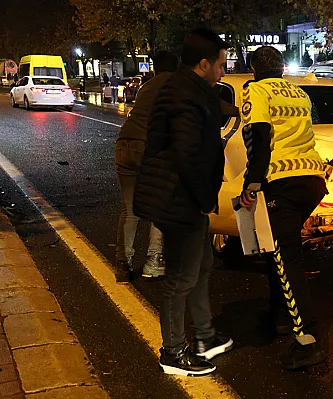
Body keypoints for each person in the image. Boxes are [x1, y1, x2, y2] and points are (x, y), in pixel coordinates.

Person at [133, 28, 233, 376]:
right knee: (180, 278)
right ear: (203, 63)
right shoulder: (183, 94)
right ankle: (173, 352)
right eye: (220, 65)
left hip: (186, 196)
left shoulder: (191, 89)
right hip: (180, 198)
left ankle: (205, 335)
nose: (223, 71)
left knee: (201, 266)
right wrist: (205, 199)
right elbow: (188, 154)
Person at [235, 45, 330, 370]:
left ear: (254, 69)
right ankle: (278, 314)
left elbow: (258, 137)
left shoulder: (256, 91)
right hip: (312, 180)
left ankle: (308, 339)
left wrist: (252, 183)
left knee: (286, 257)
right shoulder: (298, 93)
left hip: (282, 181)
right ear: (282, 69)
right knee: (277, 249)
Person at [114, 51, 180, 284]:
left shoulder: (146, 87)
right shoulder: (176, 85)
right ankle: (153, 262)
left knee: (129, 209)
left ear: (154, 68)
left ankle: (122, 265)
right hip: (148, 149)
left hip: (124, 145)